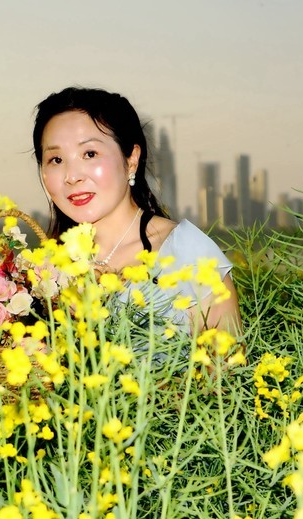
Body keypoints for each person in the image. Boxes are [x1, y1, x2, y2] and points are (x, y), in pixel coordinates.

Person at [32, 86, 242, 338]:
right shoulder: (47, 269)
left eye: (90, 153)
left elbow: (227, 373)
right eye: (56, 160)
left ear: (131, 159)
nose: (72, 176)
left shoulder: (185, 251)